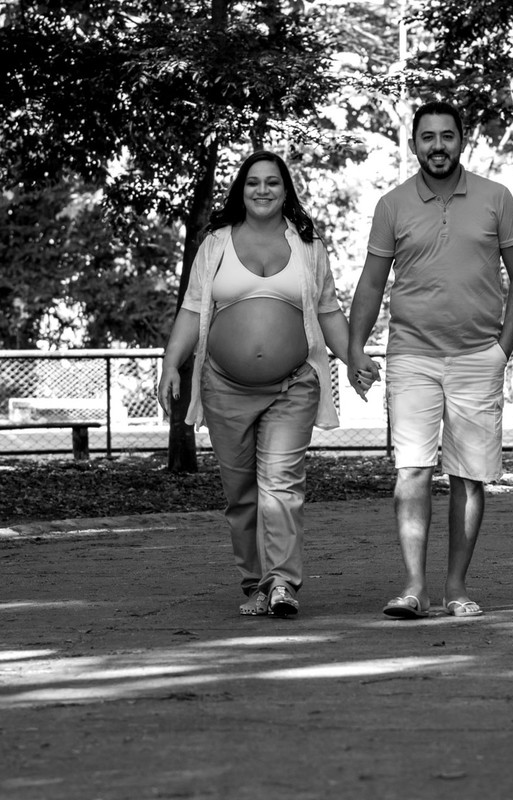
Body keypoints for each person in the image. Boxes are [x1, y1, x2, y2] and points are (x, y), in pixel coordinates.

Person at [347, 100, 513, 620]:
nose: (437, 146)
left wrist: (503, 347)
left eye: (446, 136)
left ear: (461, 140)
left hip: (479, 357)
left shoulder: (497, 199)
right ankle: (413, 587)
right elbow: (371, 282)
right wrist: (353, 347)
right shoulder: (392, 205)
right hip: (412, 356)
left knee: (469, 477)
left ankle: (456, 588)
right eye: (427, 137)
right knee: (411, 470)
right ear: (414, 145)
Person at [157, 150, 363, 618]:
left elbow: (328, 310)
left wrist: (353, 358)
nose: (263, 190)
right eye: (253, 183)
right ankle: (256, 583)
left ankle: (283, 583)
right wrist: (172, 364)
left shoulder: (308, 245)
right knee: (242, 494)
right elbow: (192, 309)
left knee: (282, 485)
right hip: (224, 386)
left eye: (273, 182)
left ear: (286, 190)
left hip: (293, 385)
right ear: (241, 191)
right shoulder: (216, 243)